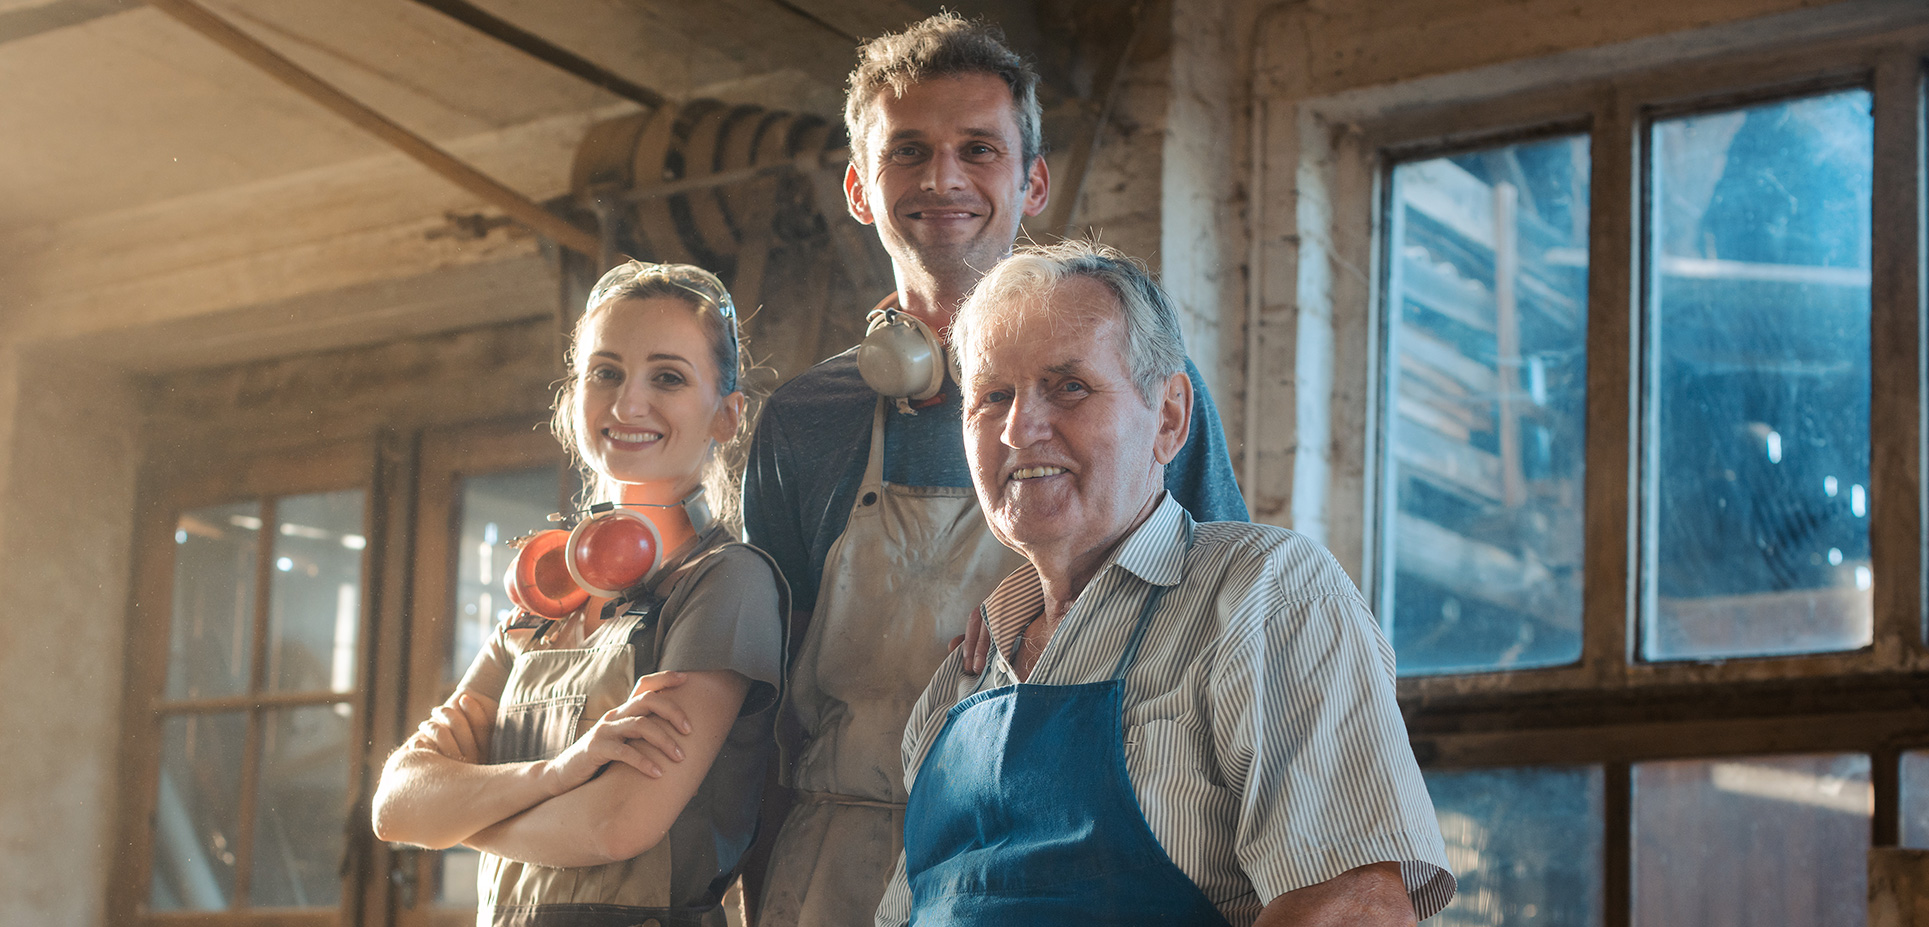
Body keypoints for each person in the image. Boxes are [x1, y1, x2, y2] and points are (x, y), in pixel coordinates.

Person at [743, 14, 1249, 926]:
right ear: (860, 187)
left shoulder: (1138, 396)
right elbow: (766, 710)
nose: (943, 178)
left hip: (1041, 854)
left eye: (979, 148)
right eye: (908, 151)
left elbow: (1217, 627)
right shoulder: (802, 424)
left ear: (1033, 182)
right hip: (828, 867)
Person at [874, 240, 1455, 926]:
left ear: (1170, 416)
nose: (1019, 428)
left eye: (1069, 386)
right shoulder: (955, 688)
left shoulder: (1263, 592)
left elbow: (1353, 904)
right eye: (992, 396)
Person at [371, 261, 787, 927]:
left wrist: (460, 815)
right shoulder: (541, 604)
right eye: (606, 371)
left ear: (726, 416)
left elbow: (614, 826)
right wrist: (560, 772)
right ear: (572, 395)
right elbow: (396, 804)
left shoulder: (725, 582)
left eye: (669, 377)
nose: (627, 404)